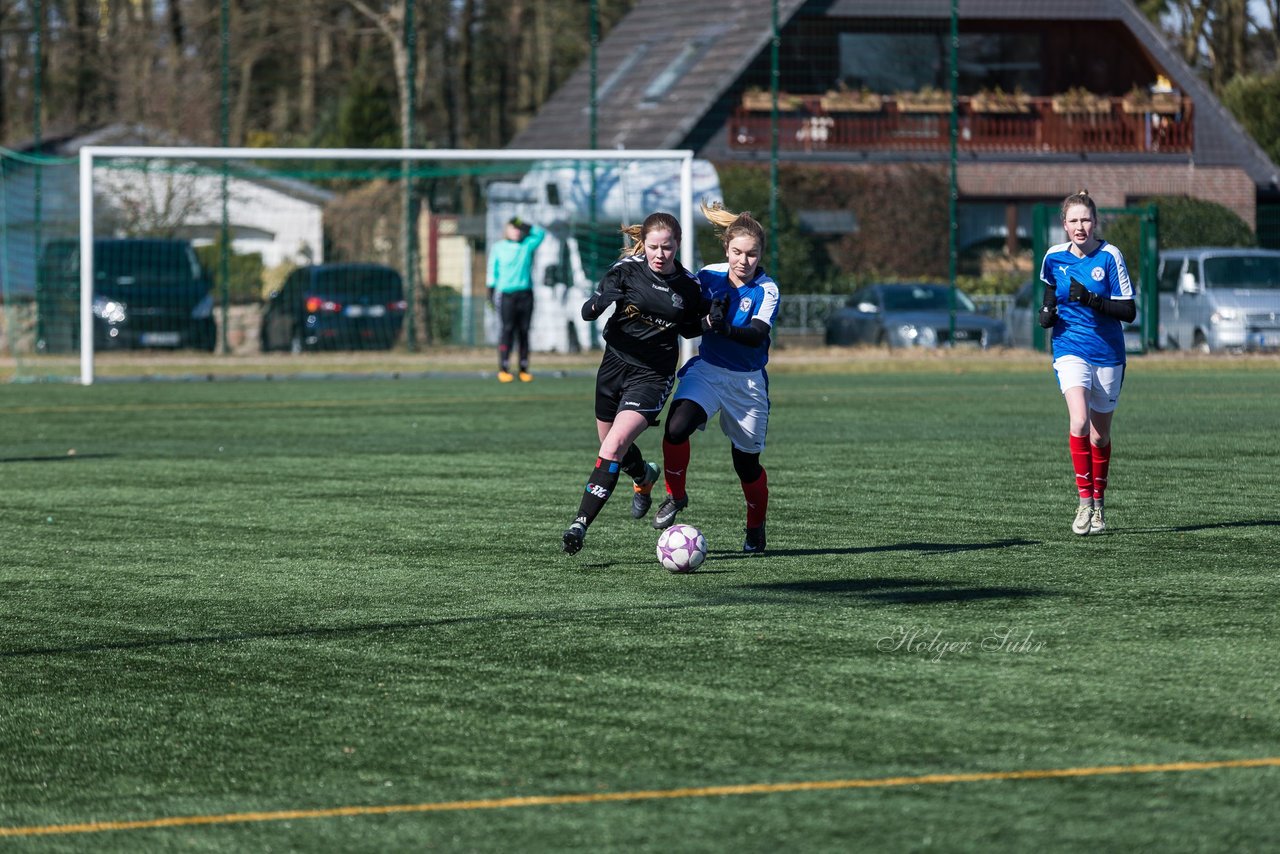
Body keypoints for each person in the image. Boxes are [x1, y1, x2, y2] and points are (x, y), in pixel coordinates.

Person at [561, 212, 707, 555]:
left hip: (652, 375)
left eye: (667, 247)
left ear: (678, 245)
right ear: (645, 244)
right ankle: (643, 477)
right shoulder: (626, 269)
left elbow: (690, 328)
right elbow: (587, 312)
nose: (660, 254)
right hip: (613, 365)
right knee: (613, 447)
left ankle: (578, 525)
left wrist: (711, 319)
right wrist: (601, 300)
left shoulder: (688, 285)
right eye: (654, 247)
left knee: (611, 447)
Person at [653, 201, 780, 554]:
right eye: (737, 252)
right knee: (676, 428)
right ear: (726, 249)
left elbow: (756, 334)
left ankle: (756, 527)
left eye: (752, 254)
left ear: (760, 255)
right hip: (707, 370)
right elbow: (686, 322)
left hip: (747, 384)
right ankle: (676, 496)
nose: (744, 260)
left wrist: (722, 327)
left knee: (746, 464)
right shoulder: (707, 276)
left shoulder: (767, 290)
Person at [1037, 189, 1136, 535]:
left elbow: (1129, 311)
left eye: (1086, 220)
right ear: (1064, 224)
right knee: (1078, 422)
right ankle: (1082, 503)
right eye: (1073, 220)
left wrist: (1094, 299)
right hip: (1069, 348)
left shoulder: (1110, 256)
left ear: (1095, 222)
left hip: (1108, 354)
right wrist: (1046, 312)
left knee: (1099, 434)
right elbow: (1051, 291)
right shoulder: (1053, 257)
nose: (1080, 226)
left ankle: (1099, 504)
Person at [487, 216, 545, 382]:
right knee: (507, 330)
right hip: (507, 296)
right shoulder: (499, 247)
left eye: (518, 228)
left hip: (526, 295)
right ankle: (504, 368)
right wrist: (490, 292)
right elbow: (493, 270)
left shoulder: (527, 245)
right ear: (506, 230)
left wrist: (524, 223)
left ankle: (523, 368)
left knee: (524, 331)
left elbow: (540, 234)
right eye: (513, 227)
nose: (516, 231)